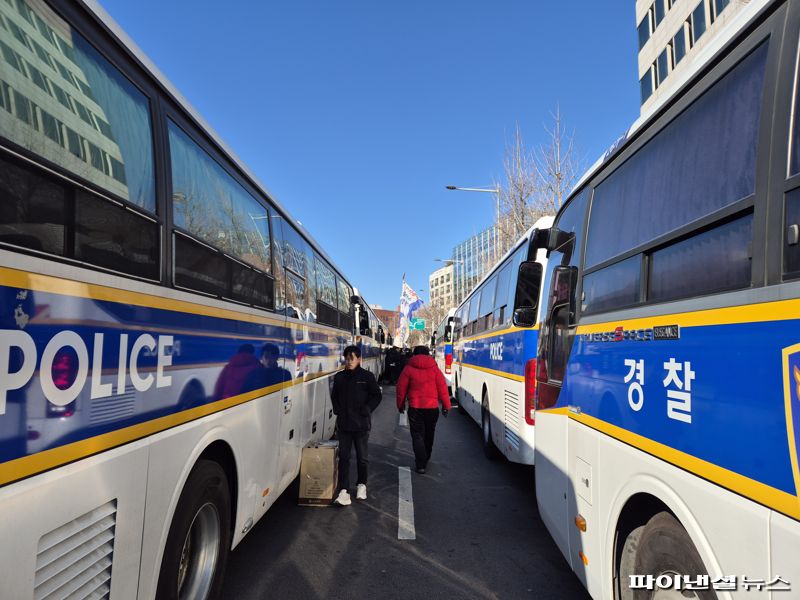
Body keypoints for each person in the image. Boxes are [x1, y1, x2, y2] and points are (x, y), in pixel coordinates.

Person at [331, 345, 382, 505]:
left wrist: (367, 409)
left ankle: (362, 484)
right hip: (344, 424)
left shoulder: (367, 376)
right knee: (344, 457)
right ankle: (344, 490)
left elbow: (377, 395)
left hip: (361, 424)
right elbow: (334, 396)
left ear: (359, 359)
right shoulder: (339, 377)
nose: (349, 361)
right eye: (347, 358)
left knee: (362, 458)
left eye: (352, 358)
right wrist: (338, 410)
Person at [396, 345, 451, 474]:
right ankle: (426, 456)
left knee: (417, 436)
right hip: (432, 408)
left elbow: (401, 388)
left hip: (415, 408)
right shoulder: (435, 369)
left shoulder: (408, 368)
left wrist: (400, 404)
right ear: (428, 354)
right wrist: (446, 406)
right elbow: (442, 388)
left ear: (414, 354)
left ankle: (420, 464)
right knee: (429, 434)